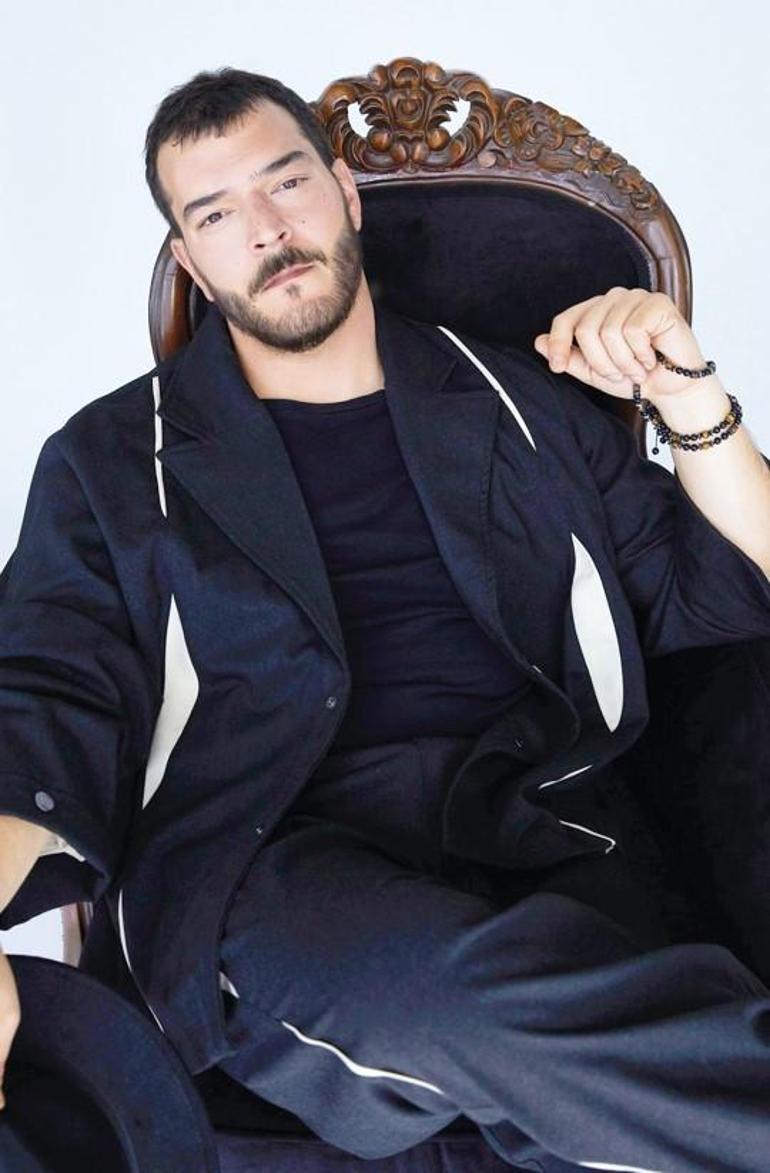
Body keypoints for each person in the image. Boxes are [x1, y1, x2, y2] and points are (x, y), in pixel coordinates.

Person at [1, 66, 770, 1172]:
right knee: (454, 993)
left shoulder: (520, 403)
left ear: (346, 195)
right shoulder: (112, 460)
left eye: (286, 184)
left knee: (528, 1016)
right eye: (215, 215)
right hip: (272, 868)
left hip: (542, 830)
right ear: (191, 261)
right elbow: (43, 698)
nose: (266, 232)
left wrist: (693, 399)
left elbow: (727, 590)